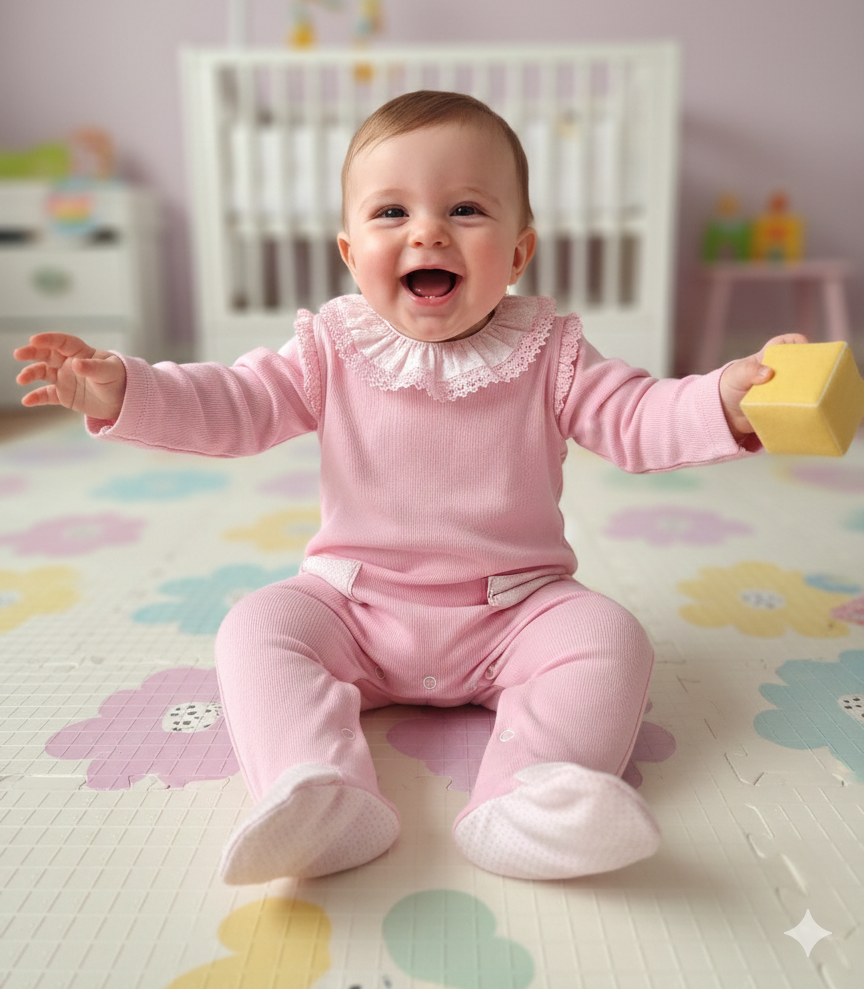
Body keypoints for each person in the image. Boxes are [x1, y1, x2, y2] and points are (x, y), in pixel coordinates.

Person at [14, 91, 803, 885]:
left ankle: (535, 795)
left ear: (520, 254)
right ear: (352, 255)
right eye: (391, 213)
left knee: (609, 638)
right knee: (255, 628)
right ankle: (315, 790)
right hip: (354, 606)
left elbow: (636, 415)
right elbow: (236, 403)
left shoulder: (551, 351)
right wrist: (126, 390)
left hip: (515, 607)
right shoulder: (330, 347)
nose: (428, 231)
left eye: (465, 208)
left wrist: (720, 399)